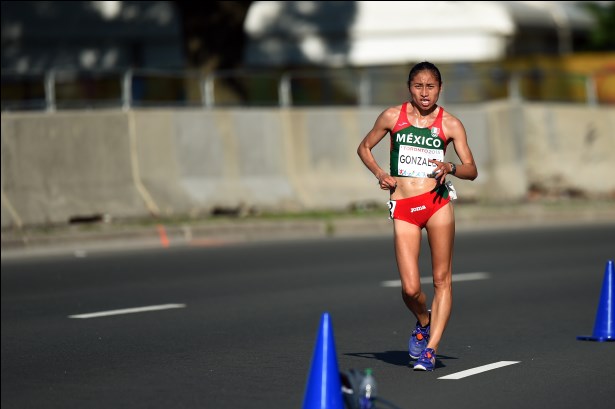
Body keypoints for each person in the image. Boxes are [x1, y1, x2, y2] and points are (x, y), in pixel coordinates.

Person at [357, 61, 478, 371]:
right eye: (418, 86)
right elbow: (364, 147)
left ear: (440, 89)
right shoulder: (391, 117)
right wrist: (380, 173)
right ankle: (423, 320)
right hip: (405, 207)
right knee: (411, 289)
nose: (425, 93)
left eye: (431, 87)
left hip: (437, 203)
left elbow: (471, 170)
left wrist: (451, 167)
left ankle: (431, 349)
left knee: (442, 281)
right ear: (409, 88)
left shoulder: (450, 124)